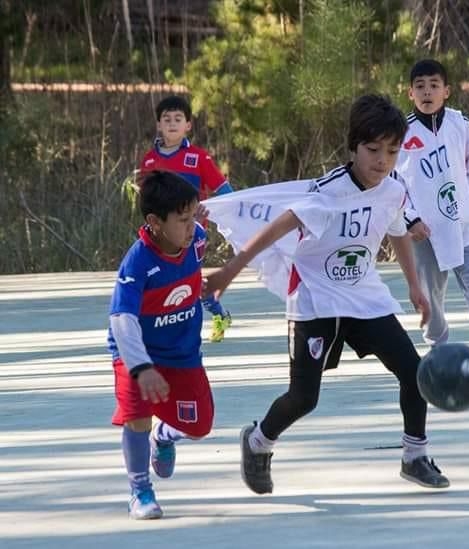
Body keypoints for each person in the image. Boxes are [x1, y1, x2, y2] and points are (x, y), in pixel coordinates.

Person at [203, 95, 451, 493]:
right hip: (315, 299)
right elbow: (279, 227)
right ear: (353, 147)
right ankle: (257, 441)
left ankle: (415, 456)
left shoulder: (391, 190)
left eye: (392, 151)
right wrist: (229, 271)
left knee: (413, 372)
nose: (382, 160)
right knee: (304, 398)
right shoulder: (328, 194)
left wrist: (414, 286)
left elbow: (397, 230)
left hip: (364, 297)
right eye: (373, 150)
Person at [393, 59, 469, 376]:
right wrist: (409, 220)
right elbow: (395, 182)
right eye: (419, 86)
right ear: (410, 93)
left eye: (434, 85)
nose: (427, 91)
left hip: (462, 222)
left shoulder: (459, 124)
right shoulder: (402, 133)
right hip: (425, 230)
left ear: (446, 91)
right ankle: (439, 350)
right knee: (431, 293)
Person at [108, 170, 215, 519]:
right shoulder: (137, 264)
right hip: (135, 354)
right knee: (137, 416)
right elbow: (122, 319)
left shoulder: (196, 240)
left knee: (200, 425)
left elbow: (196, 267)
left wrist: (211, 301)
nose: (191, 225)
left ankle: (164, 437)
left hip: (182, 353)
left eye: (192, 216)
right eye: (182, 219)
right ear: (154, 222)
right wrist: (141, 367)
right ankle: (139, 490)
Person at [139, 95, 233, 343]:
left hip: (192, 232)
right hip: (159, 235)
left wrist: (211, 211)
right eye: (166, 119)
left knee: (189, 278)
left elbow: (225, 192)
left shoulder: (199, 158)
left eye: (178, 119)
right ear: (159, 124)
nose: (172, 123)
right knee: (164, 280)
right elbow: (146, 197)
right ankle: (176, 322)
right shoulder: (149, 160)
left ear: (188, 125)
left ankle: (207, 320)